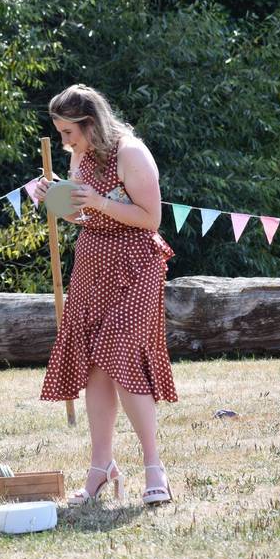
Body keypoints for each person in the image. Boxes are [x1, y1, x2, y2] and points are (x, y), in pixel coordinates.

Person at [35, 84, 176, 507]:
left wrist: (97, 200)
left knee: (122, 354)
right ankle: (101, 467)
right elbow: (82, 215)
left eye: (69, 132)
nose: (65, 142)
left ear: (91, 123)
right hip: (93, 264)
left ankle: (154, 467)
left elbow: (150, 219)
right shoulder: (80, 156)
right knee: (95, 364)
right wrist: (55, 198)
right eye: (60, 133)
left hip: (136, 264)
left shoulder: (131, 153)